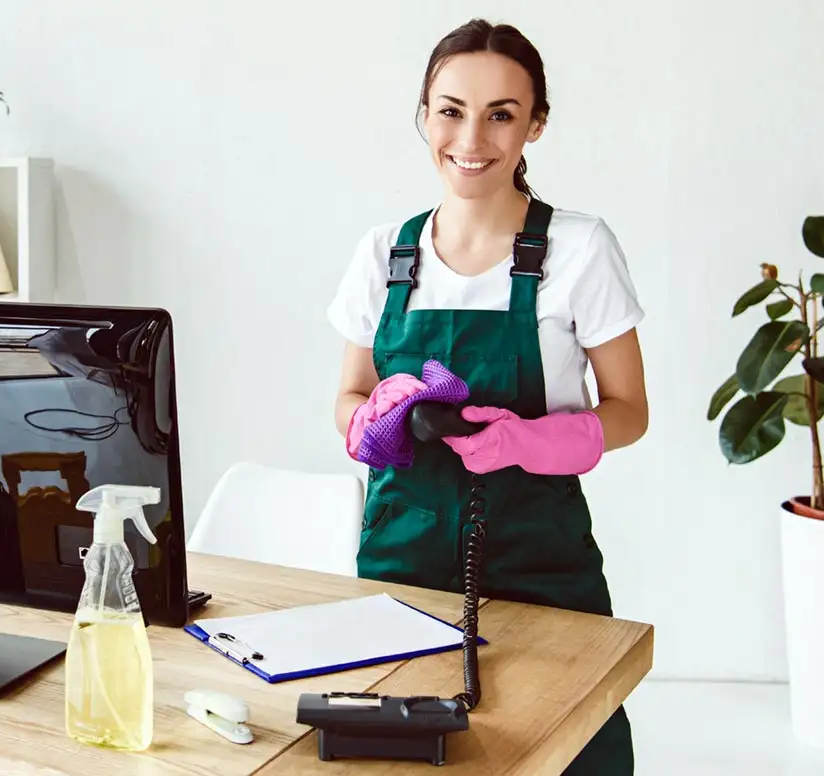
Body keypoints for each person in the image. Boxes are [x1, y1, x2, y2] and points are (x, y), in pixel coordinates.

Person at [326, 18, 648, 776]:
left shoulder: (578, 248)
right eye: (450, 109)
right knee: (401, 756)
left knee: (569, 745)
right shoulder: (385, 253)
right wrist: (370, 423)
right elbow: (347, 393)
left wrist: (531, 442)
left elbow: (630, 409)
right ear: (424, 116)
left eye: (502, 113)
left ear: (535, 124)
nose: (472, 137)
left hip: (542, 558)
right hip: (401, 552)